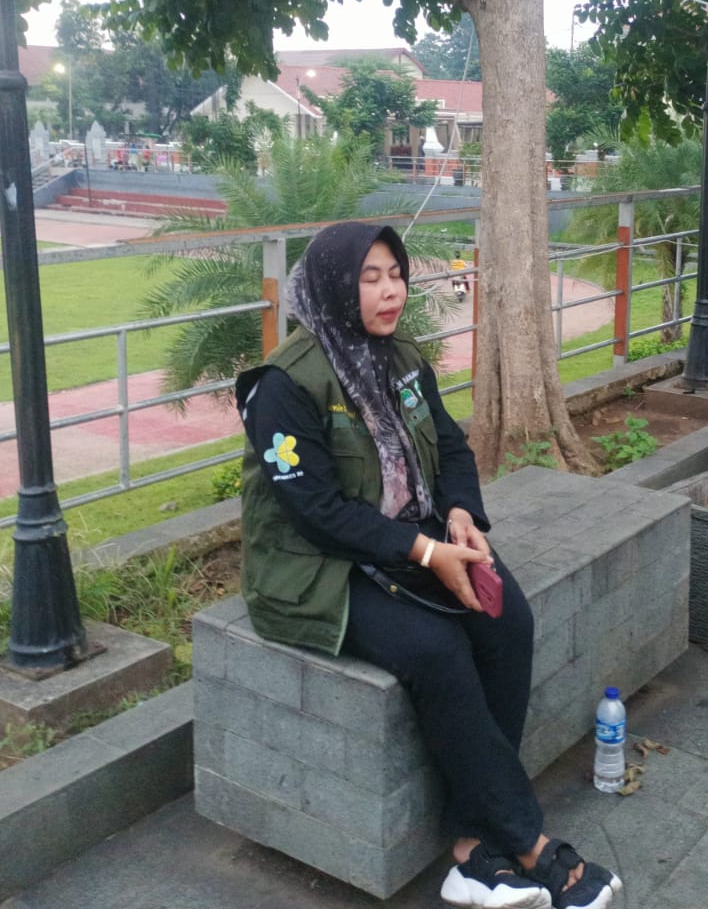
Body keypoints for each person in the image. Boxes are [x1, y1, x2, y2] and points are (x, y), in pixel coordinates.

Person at [235, 222, 622, 909]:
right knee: (435, 650)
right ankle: (527, 841)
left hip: (410, 540)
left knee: (506, 621)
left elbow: (452, 449)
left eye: (396, 275)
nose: (391, 292)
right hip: (316, 570)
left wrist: (462, 515)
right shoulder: (284, 386)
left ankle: (472, 848)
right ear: (332, 287)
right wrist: (425, 552)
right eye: (369, 278)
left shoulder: (402, 359)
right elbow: (314, 512)